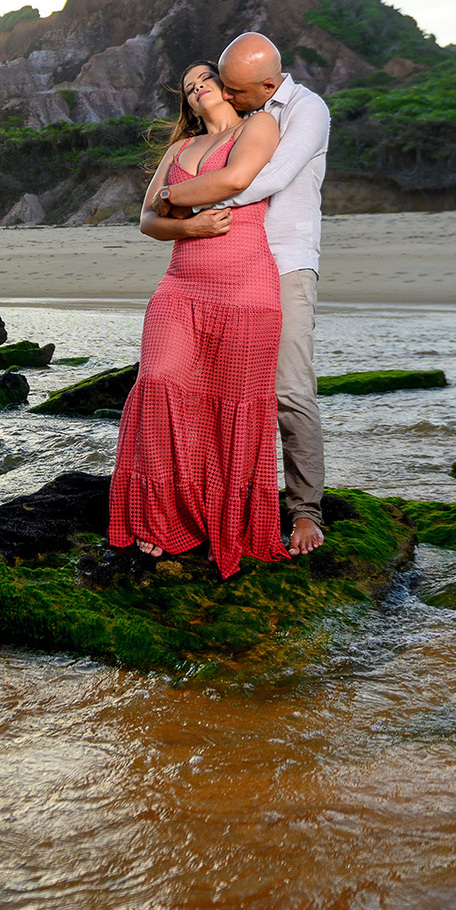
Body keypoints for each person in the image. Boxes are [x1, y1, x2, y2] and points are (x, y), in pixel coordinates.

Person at [108, 59, 290, 580]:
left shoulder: (259, 125)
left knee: (233, 403)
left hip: (247, 287)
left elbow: (235, 179)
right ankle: (163, 519)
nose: (197, 89)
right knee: (160, 382)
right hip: (180, 285)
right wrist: (190, 226)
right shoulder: (178, 150)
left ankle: (224, 524)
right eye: (188, 88)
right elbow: (147, 223)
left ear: (229, 89)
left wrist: (172, 199)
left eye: (205, 79)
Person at [157, 32, 330, 557]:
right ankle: (210, 503)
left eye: (232, 89)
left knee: (289, 390)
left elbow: (264, 178)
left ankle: (305, 511)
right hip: (232, 270)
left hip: (285, 265)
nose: (224, 96)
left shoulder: (305, 109)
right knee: (219, 391)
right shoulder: (244, 117)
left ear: (268, 84)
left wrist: (178, 199)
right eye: (217, 87)